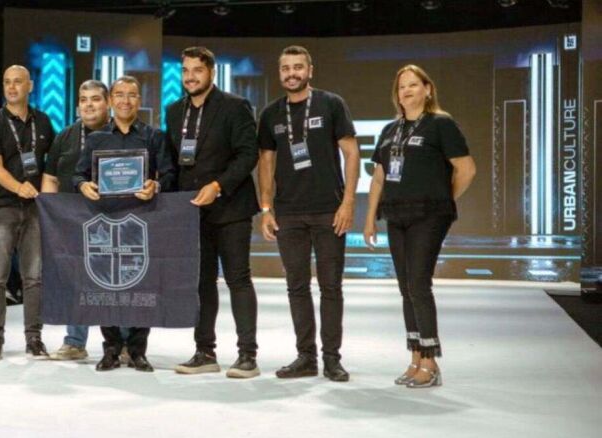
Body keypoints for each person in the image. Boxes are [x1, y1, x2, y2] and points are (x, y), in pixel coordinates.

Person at [363, 64, 476, 388]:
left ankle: (430, 361)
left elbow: (466, 169)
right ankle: (415, 357)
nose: (407, 91)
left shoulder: (441, 124)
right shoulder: (390, 130)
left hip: (429, 215)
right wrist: (369, 218)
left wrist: (442, 199)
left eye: (413, 85)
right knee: (405, 287)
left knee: (418, 284)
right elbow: (379, 177)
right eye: (402, 87)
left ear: (427, 89)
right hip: (395, 214)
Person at [257, 45, 360, 382]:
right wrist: (266, 209)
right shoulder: (271, 114)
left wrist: (348, 203)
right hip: (288, 214)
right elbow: (266, 163)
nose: (292, 73)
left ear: (310, 70)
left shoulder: (331, 104)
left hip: (329, 210)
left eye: (298, 67)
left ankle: (332, 359)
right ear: (280, 73)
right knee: (296, 287)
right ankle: (306, 357)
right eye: (286, 68)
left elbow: (352, 153)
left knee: (331, 287)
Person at [165, 46, 261, 379]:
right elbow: (174, 162)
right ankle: (204, 352)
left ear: (211, 72)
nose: (190, 77)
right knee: (202, 283)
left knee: (238, 280)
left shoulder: (235, 106)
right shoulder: (174, 111)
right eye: (185, 70)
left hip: (231, 208)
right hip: (193, 212)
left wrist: (218, 186)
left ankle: (247, 355)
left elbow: (248, 154)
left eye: (197, 70)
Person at [73, 75, 177, 372]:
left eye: (131, 95)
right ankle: (111, 349)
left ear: (139, 100)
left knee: (141, 285)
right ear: (111, 101)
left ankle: (137, 350)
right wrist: (83, 186)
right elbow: (78, 174)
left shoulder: (154, 137)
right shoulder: (96, 139)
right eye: (119, 95)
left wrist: (156, 185)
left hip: (142, 222)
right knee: (106, 285)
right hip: (105, 222)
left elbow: (169, 174)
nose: (125, 101)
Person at [0, 65, 54, 360]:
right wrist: (18, 187)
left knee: (34, 277)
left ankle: (34, 338)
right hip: (2, 207)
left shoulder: (43, 121)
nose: (11, 87)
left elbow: (50, 166)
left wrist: (47, 197)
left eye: (17, 82)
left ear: (30, 86)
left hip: (35, 208)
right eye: (7, 82)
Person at [42, 79, 112, 361]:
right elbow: (50, 177)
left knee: (113, 282)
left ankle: (120, 344)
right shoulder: (65, 136)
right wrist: (49, 217)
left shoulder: (119, 133)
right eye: (84, 100)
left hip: (112, 220)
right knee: (75, 282)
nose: (89, 105)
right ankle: (74, 342)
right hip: (71, 221)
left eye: (95, 99)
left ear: (107, 103)